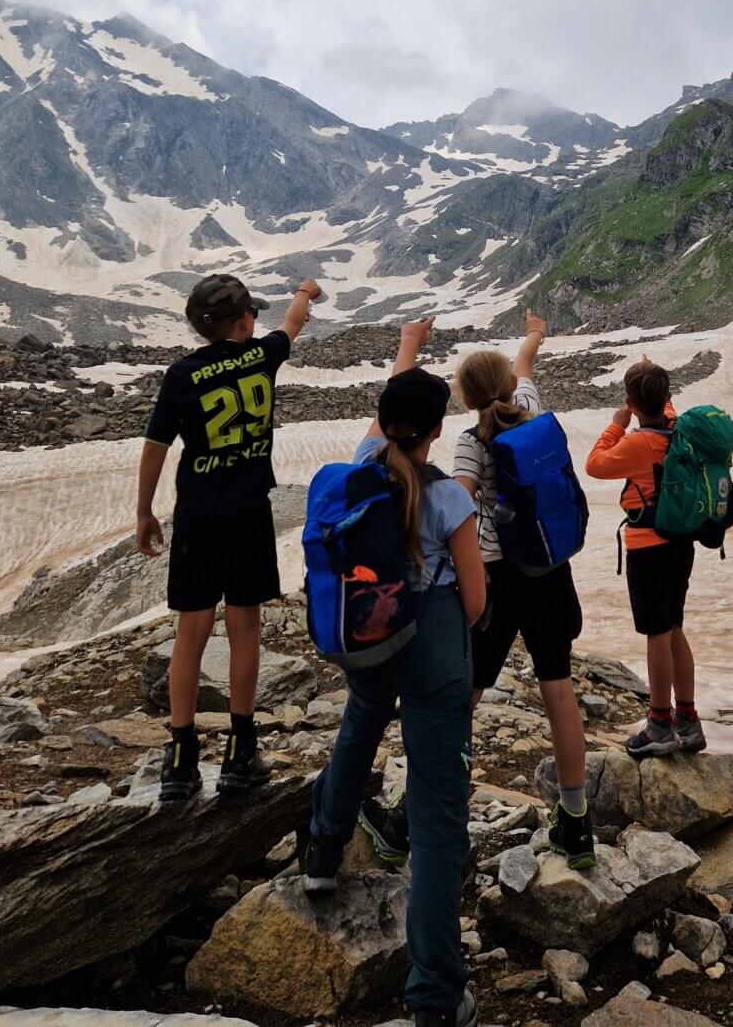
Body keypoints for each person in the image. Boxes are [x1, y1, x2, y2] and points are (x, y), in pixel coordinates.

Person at [303, 318, 486, 1027]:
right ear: (437, 431)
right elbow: (474, 602)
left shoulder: (362, 462)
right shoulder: (450, 498)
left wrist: (407, 349)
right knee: (440, 815)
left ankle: (322, 851)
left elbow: (391, 405)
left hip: (368, 636)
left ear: (383, 423)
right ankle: (436, 992)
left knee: (361, 719)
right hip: (435, 639)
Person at [136, 273, 322, 801]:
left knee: (190, 631)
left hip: (198, 515)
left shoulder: (182, 374)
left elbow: (155, 446)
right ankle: (241, 749)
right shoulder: (263, 356)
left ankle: (180, 758)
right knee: (245, 627)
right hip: (247, 514)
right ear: (244, 321)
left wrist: (145, 510)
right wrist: (305, 293)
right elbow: (293, 323)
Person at [449, 311, 595, 869]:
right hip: (550, 570)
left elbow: (460, 501)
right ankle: (576, 822)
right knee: (558, 688)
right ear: (510, 386)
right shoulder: (531, 412)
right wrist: (535, 332)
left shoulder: (470, 441)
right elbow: (526, 363)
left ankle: (432, 807)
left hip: (496, 579)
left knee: (467, 694)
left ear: (467, 399)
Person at [584, 356, 707, 758]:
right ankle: (688, 720)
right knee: (673, 627)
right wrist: (651, 387)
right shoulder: (678, 430)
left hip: (647, 547)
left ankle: (659, 724)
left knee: (656, 632)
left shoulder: (637, 443)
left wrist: (618, 422)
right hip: (680, 544)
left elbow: (595, 464)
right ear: (667, 397)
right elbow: (663, 406)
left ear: (632, 403)